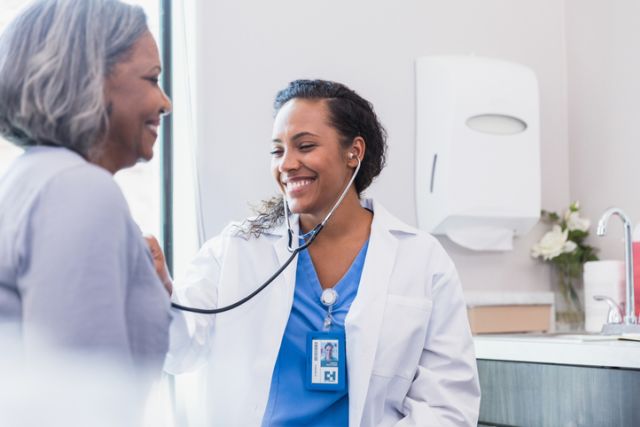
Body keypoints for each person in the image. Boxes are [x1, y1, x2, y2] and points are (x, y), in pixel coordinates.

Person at [163, 79, 480, 426]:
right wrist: (156, 292)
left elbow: (448, 405)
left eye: (305, 146)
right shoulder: (239, 248)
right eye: (277, 150)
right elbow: (177, 349)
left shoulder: (422, 260)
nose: (287, 163)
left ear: (354, 152)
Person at [0, 0, 172, 374]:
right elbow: (82, 402)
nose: (166, 102)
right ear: (90, 77)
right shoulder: (77, 190)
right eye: (152, 79)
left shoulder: (36, 178)